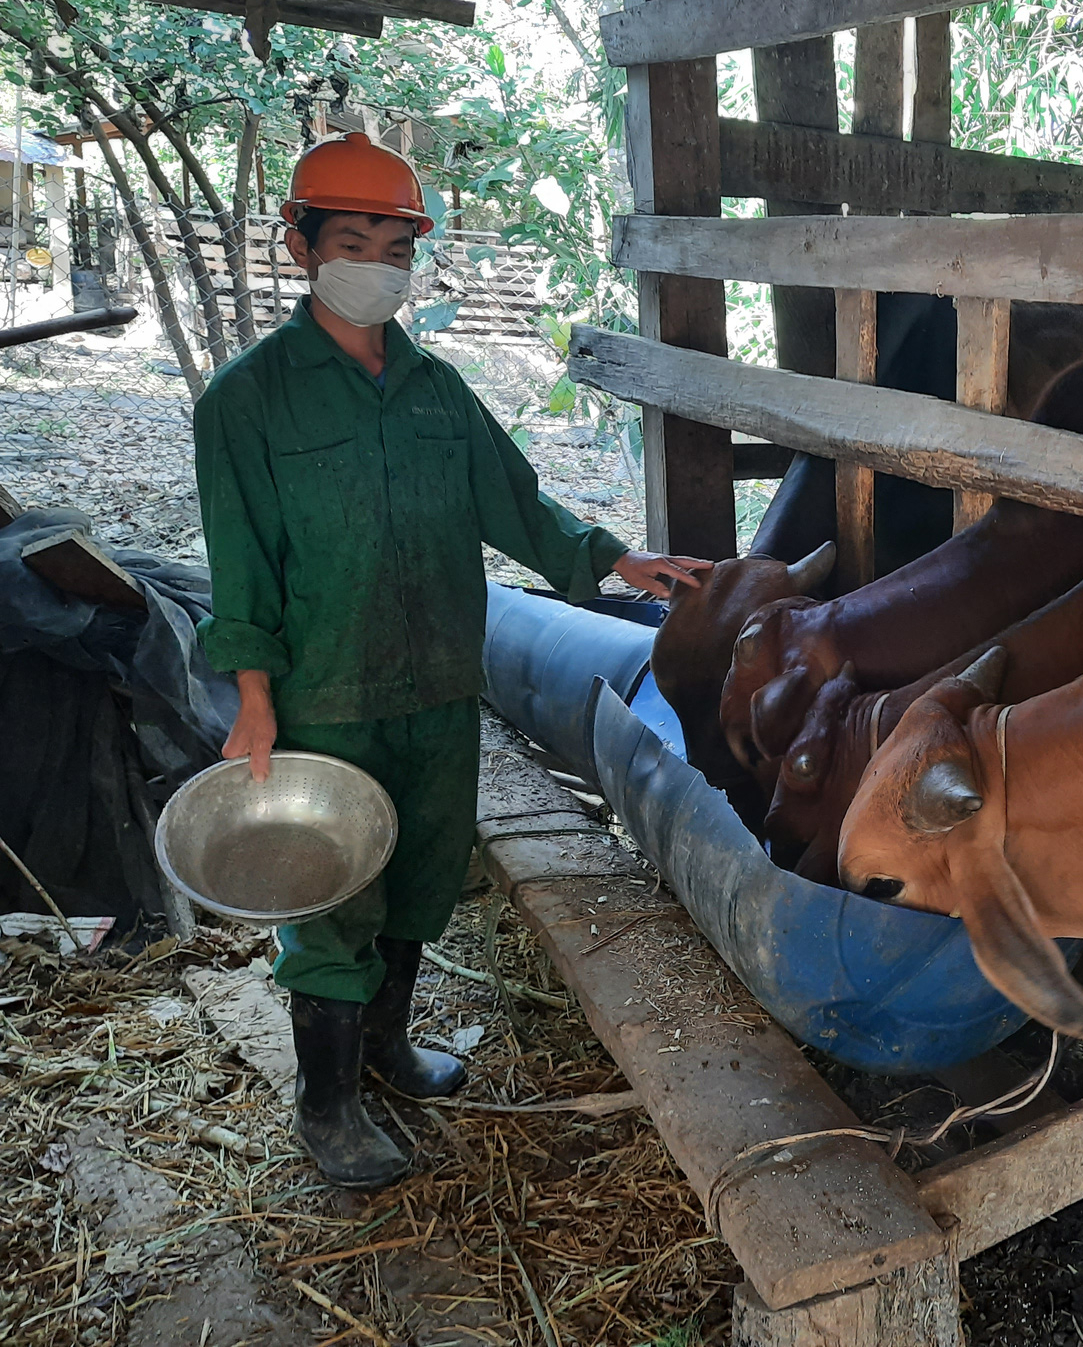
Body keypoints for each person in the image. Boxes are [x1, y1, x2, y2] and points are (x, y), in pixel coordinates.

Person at [193, 132, 712, 1189]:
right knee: (334, 891)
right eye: (352, 240)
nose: (378, 263)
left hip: (437, 682)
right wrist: (252, 698)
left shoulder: (435, 390)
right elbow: (237, 564)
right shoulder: (246, 401)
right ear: (301, 247)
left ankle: (384, 1048)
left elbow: (512, 501)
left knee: (421, 875)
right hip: (324, 693)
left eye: (396, 245)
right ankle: (327, 1102)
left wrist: (616, 557)